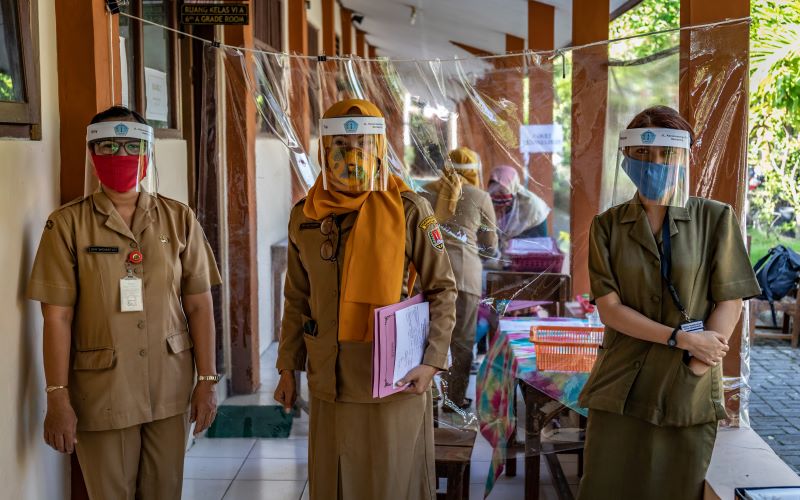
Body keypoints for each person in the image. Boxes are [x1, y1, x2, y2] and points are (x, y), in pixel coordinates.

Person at [26, 106, 222, 499]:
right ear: (93, 155)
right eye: (109, 146)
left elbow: (200, 305)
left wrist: (206, 380)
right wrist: (57, 395)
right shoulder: (67, 225)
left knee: (165, 492)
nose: (120, 155)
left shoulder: (178, 219)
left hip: (168, 387)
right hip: (103, 392)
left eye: (131, 146)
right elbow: (56, 318)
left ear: (147, 155)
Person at [273, 98, 457, 499]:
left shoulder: (410, 210)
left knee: (390, 482)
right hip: (329, 379)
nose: (351, 154)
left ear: (380, 148)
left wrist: (432, 361)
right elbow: (297, 298)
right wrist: (287, 367)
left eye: (363, 144)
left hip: (394, 379)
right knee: (333, 482)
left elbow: (443, 289)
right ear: (323, 149)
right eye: (339, 144)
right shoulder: (305, 214)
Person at [576, 106, 761, 499]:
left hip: (685, 386)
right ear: (627, 158)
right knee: (606, 486)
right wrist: (681, 338)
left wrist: (696, 363)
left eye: (666, 152)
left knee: (674, 488)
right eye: (643, 154)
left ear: (684, 156)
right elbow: (609, 309)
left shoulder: (716, 218)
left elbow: (731, 299)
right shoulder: (607, 225)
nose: (654, 163)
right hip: (621, 381)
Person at [421, 146, 497, 411]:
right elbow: (490, 244)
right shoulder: (480, 196)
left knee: (425, 338)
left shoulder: (423, 194)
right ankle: (454, 400)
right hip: (465, 278)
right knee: (462, 342)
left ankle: (426, 397)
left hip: (426, 275)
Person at [487, 165, 551, 247]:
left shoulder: (531, 205)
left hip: (531, 237)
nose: (496, 196)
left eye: (502, 192)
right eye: (493, 192)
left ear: (512, 188)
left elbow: (539, 244)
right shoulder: (488, 200)